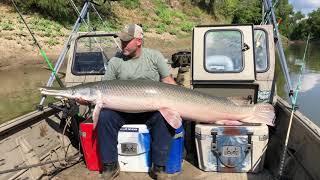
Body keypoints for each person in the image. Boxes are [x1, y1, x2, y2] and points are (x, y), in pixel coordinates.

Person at [97, 24, 178, 179]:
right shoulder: (116, 61)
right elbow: (104, 87)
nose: (123, 45)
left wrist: (181, 103)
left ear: (139, 41)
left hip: (150, 110)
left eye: (127, 41)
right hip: (123, 110)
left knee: (163, 118)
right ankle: (110, 165)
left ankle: (159, 166)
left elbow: (168, 82)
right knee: (105, 116)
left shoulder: (154, 57)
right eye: (121, 41)